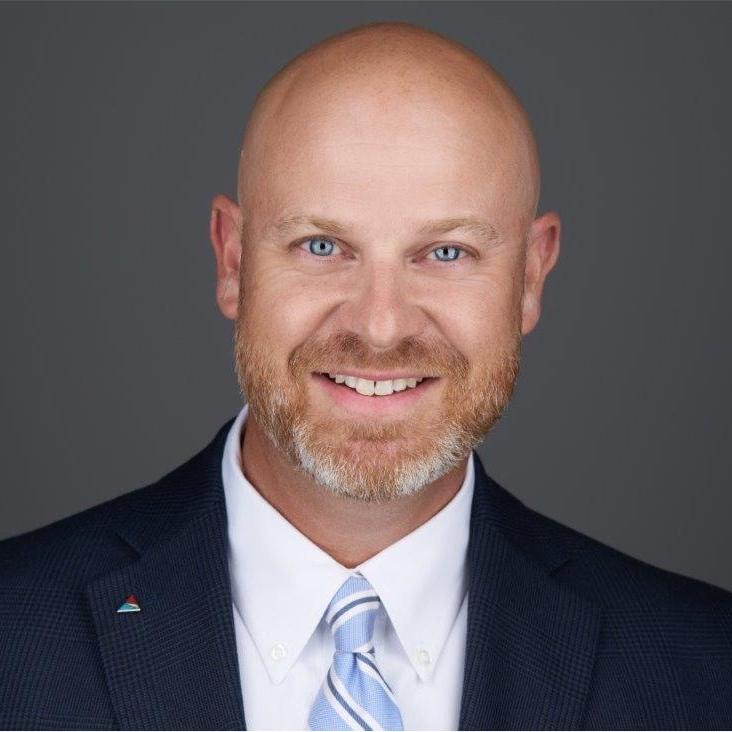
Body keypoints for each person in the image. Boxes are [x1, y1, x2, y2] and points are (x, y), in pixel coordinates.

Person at [1, 20, 730, 731]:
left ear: (532, 276)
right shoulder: (15, 636)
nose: (380, 326)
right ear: (233, 260)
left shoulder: (704, 671)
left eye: (445, 253)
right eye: (322, 245)